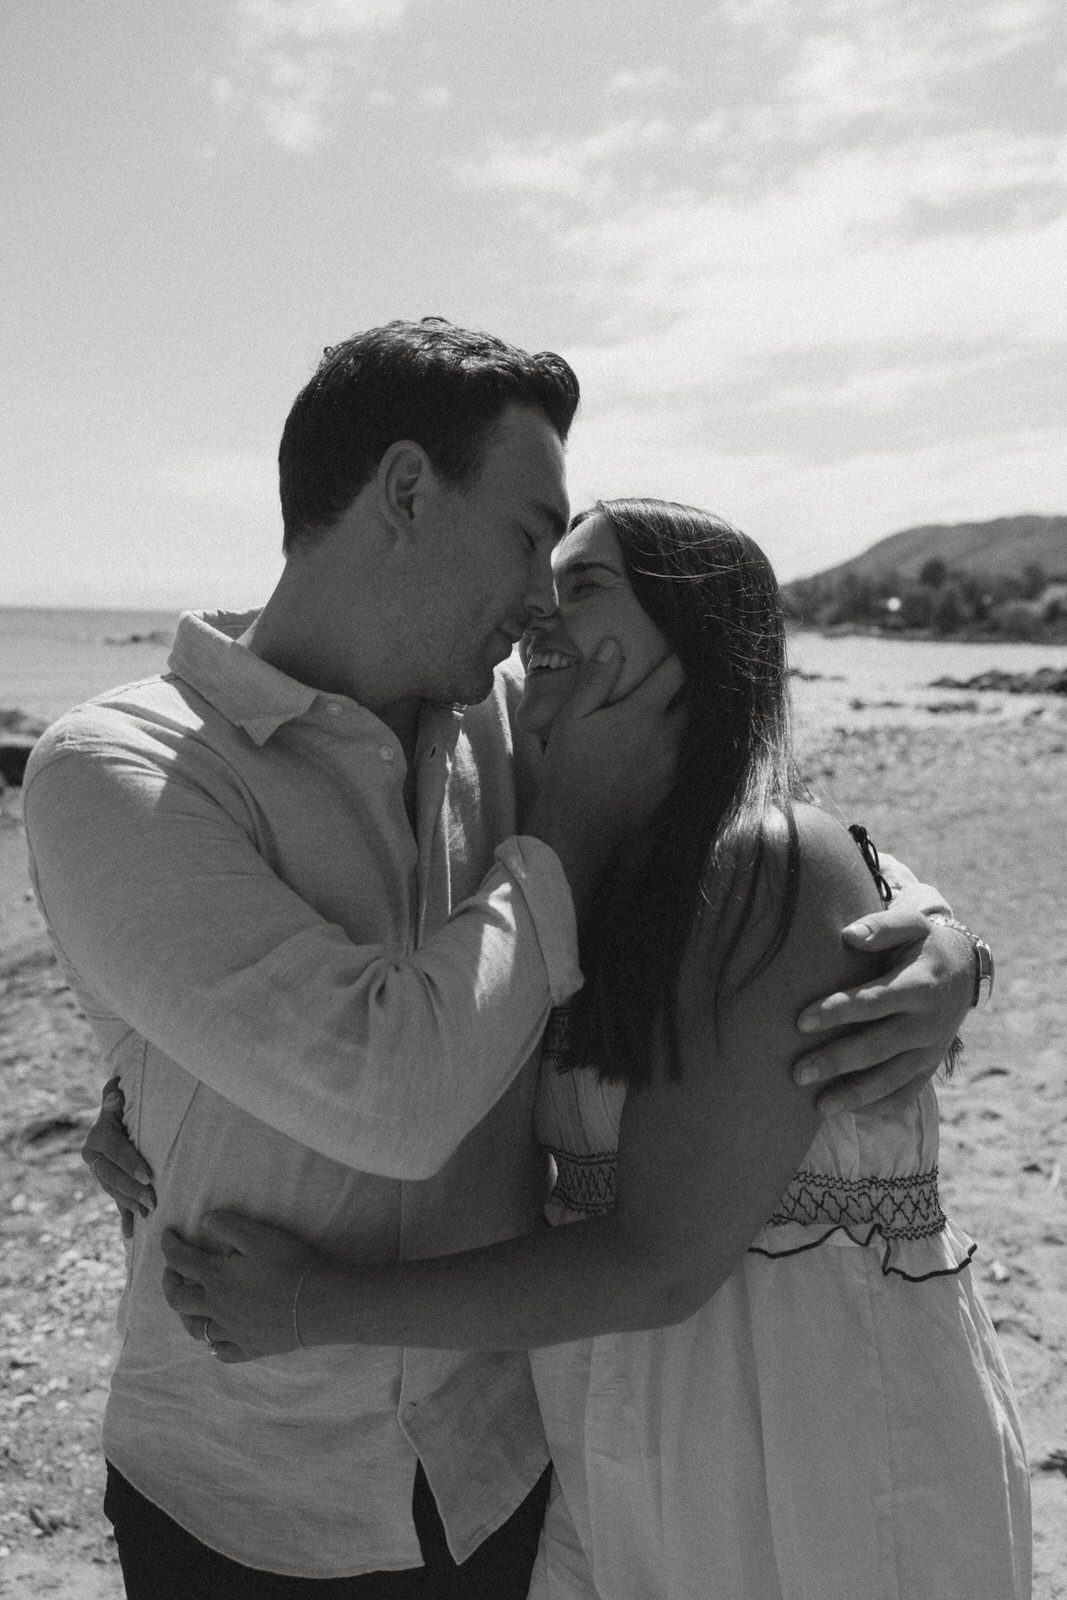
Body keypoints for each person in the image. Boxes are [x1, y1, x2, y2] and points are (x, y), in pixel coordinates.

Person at [30, 320, 978, 1598]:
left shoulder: (507, 732)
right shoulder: (126, 766)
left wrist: (943, 941)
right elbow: (388, 1091)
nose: (541, 598)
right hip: (248, 1479)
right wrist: (152, 1072)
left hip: (510, 1468)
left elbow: (719, 841)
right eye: (532, 535)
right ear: (408, 490)